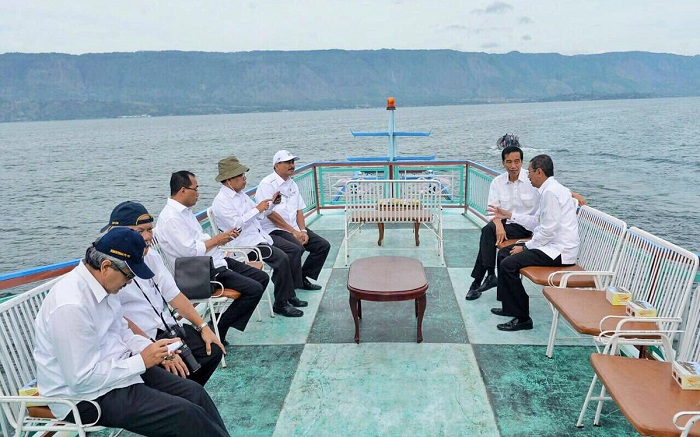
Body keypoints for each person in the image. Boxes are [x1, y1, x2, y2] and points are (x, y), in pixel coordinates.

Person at [33, 227, 230, 436]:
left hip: (116, 375)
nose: (129, 283)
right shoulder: (71, 305)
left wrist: (153, 349)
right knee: (185, 414)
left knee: (194, 393)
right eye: (128, 276)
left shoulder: (105, 287)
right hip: (84, 397)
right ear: (106, 266)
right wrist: (142, 361)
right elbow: (81, 378)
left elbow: (123, 331)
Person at [102, 201, 225, 385]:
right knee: (178, 381)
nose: (146, 237)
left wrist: (203, 327)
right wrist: (153, 348)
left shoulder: (151, 256)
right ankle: (187, 396)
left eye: (149, 230)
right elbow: (121, 322)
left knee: (213, 350)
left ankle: (190, 396)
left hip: (167, 328)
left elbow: (174, 295)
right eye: (138, 231)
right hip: (139, 341)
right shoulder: (109, 271)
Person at [155, 170, 268, 343]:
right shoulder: (172, 218)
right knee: (254, 289)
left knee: (262, 277)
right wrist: (217, 239)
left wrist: (220, 241)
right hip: (200, 273)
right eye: (196, 189)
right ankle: (219, 327)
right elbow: (190, 252)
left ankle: (219, 323)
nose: (198, 194)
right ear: (183, 190)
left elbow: (200, 241)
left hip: (214, 261)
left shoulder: (185, 212)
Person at [488, 154, 579, 332]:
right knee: (503, 253)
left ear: (539, 172)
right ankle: (509, 307)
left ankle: (523, 318)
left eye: (529, 172)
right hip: (550, 245)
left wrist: (525, 246)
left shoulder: (550, 193)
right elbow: (538, 222)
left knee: (508, 264)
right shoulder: (547, 190)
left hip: (559, 251)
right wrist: (510, 215)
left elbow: (548, 230)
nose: (527, 176)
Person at [211, 156, 307, 317]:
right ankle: (281, 303)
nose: (244, 179)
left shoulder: (241, 195)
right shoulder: (221, 201)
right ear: (229, 180)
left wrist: (271, 204)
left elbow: (259, 214)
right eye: (241, 176)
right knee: (282, 258)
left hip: (259, 237)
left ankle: (289, 294)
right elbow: (236, 225)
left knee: (294, 249)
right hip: (246, 244)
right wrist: (258, 209)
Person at [465, 145, 536, 301]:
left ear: (522, 162)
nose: (513, 166)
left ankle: (479, 281)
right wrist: (498, 225)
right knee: (488, 232)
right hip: (505, 223)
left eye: (517, 161)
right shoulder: (497, 182)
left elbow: (551, 188)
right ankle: (490, 275)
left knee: (487, 235)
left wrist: (573, 194)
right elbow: (492, 210)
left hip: (525, 226)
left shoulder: (532, 180)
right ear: (503, 163)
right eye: (509, 162)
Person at [255, 150, 330, 291]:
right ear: (277, 165)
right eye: (287, 162)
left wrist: (302, 230)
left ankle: (301, 277)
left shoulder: (292, 184)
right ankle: (284, 284)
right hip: (274, 230)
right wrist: (294, 232)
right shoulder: (267, 184)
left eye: (293, 162)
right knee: (296, 249)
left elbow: (299, 210)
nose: (292, 165)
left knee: (322, 246)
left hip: (293, 227)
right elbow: (270, 214)